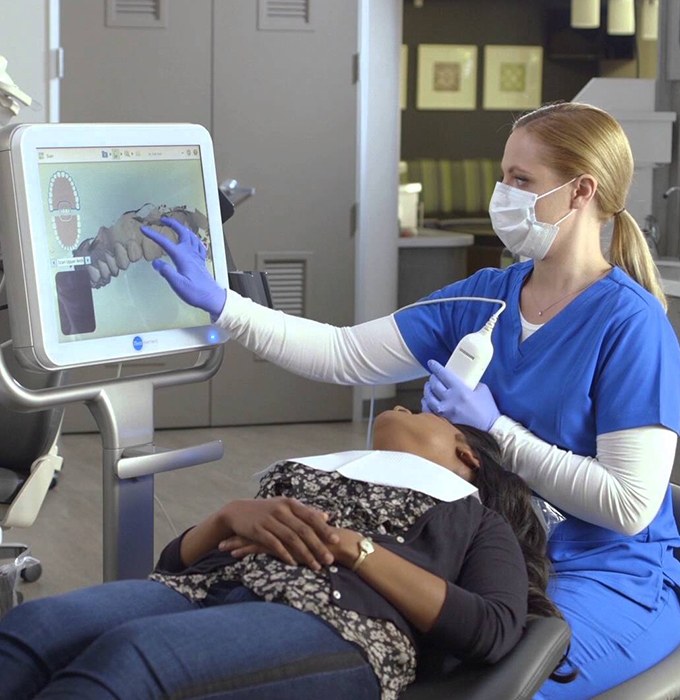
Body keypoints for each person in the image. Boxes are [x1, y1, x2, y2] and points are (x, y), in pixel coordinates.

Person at [139, 100, 680, 698]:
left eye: (523, 181)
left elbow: (628, 505)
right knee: (375, 656)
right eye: (503, 175)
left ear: (581, 192)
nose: (504, 193)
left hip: (606, 574)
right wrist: (222, 303)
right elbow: (344, 353)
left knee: (492, 685)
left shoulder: (630, 324)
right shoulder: (486, 297)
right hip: (498, 559)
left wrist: (499, 431)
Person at [0, 408, 566, 699]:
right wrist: (224, 517)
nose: (407, 406)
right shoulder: (313, 469)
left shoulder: (471, 516)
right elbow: (174, 566)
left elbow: (492, 629)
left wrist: (353, 548)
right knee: (35, 625)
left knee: (131, 658)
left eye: (423, 414)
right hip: (203, 589)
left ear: (466, 455)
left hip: (337, 619)